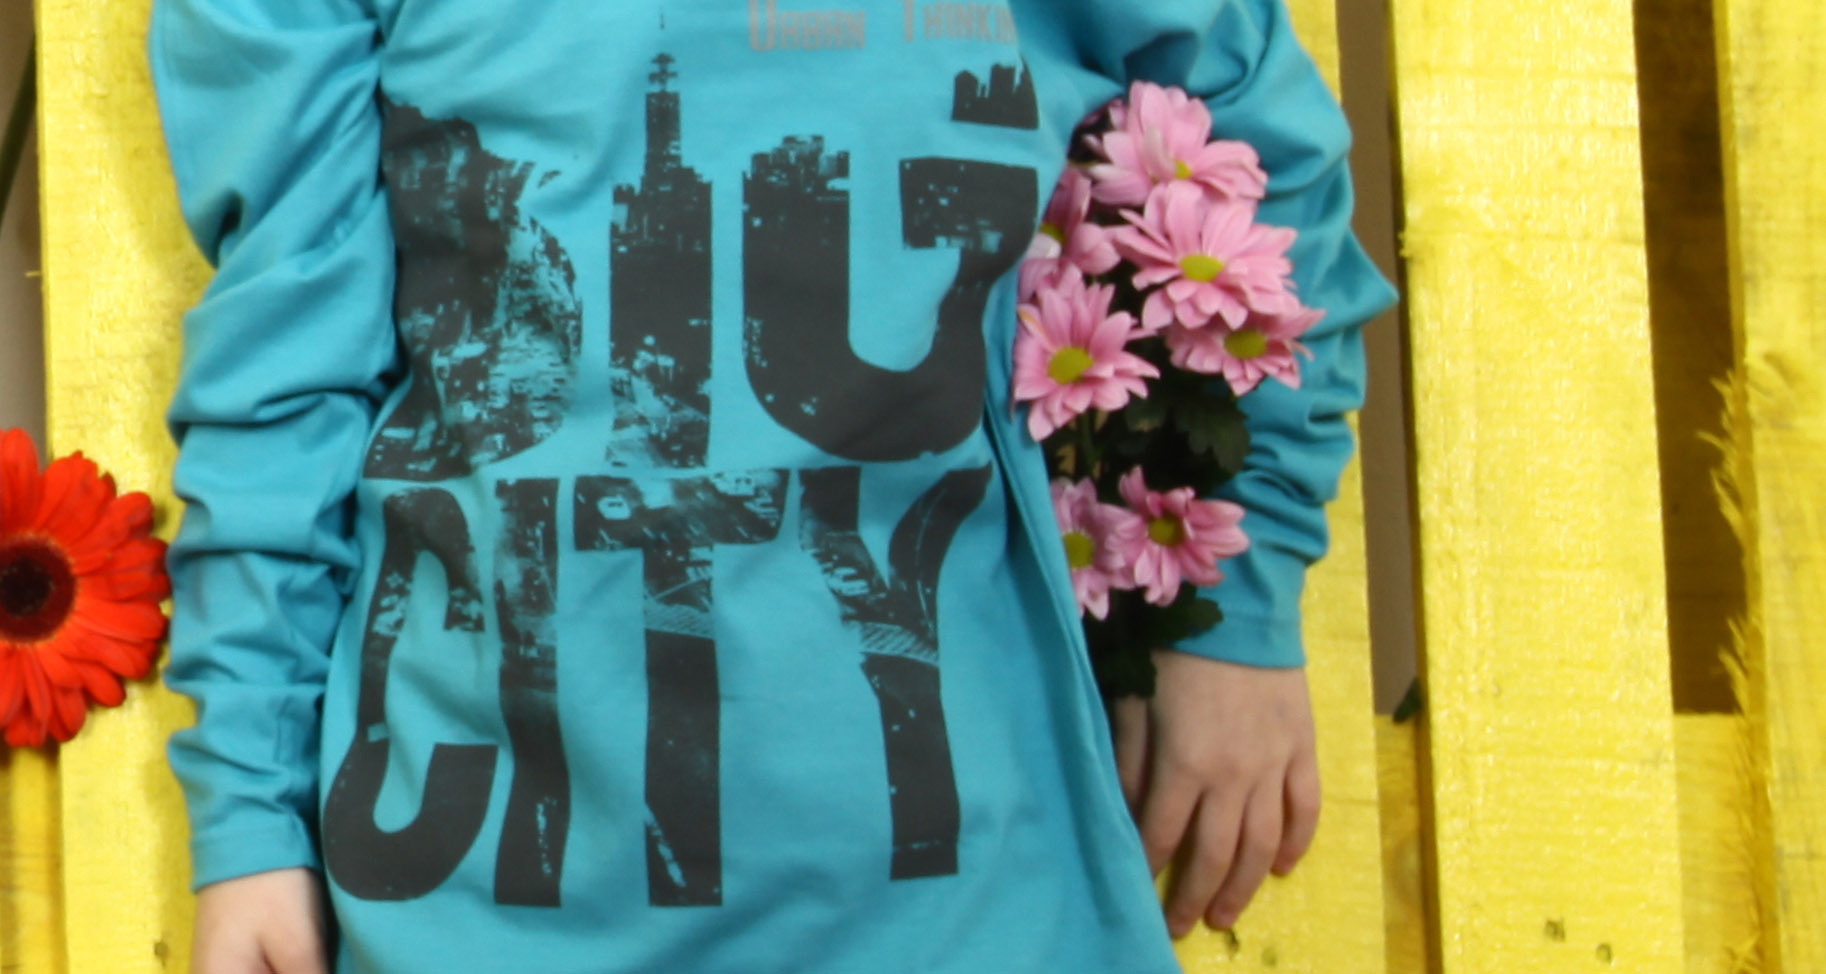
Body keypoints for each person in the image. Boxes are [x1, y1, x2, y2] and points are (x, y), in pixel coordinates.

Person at [151, 1, 1394, 971]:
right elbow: (283, 369)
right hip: (483, 902)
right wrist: (252, 816)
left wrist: (1227, 608)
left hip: (971, 894)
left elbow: (1269, 168)